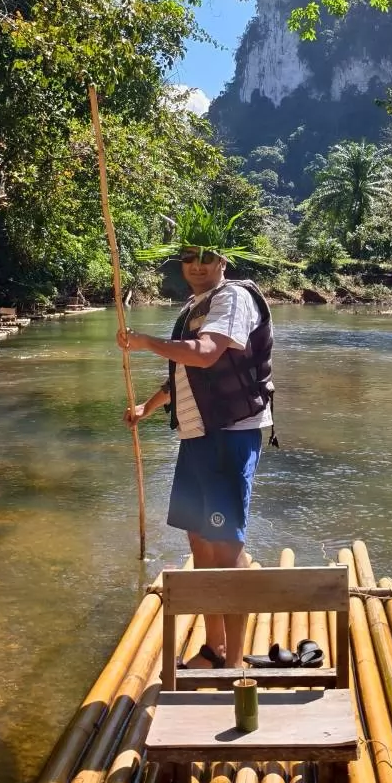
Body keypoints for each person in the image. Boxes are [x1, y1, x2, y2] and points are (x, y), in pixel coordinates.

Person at [116, 241, 274, 669]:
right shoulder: (194, 308)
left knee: (225, 545)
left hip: (230, 435)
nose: (197, 266)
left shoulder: (233, 298)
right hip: (197, 435)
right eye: (189, 259)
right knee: (199, 541)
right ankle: (214, 648)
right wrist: (148, 408)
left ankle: (235, 662)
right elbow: (185, 375)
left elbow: (205, 356)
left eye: (207, 258)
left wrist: (145, 341)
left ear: (223, 262)